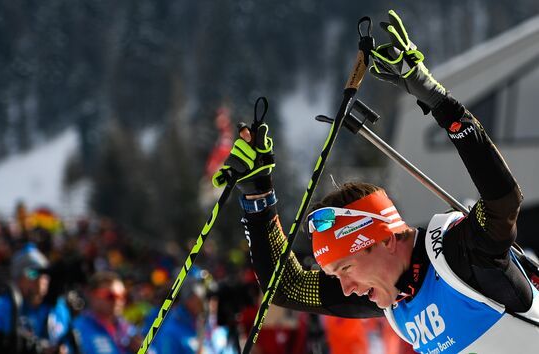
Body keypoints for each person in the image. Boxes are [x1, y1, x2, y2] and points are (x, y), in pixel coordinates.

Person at [212, 10, 539, 354]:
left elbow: (502, 201)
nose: (347, 288)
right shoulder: (392, 299)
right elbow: (287, 287)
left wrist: (440, 104)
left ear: (383, 240)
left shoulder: (460, 255)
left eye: (346, 268)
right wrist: (257, 198)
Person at [0, 242, 74, 353]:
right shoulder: (5, 306)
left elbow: (70, 344)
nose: (40, 279)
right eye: (33, 273)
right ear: (17, 279)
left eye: (44, 273)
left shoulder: (58, 307)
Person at [73, 271, 141, 354]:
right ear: (92, 295)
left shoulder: (128, 329)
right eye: (110, 296)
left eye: (122, 296)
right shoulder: (78, 329)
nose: (118, 301)